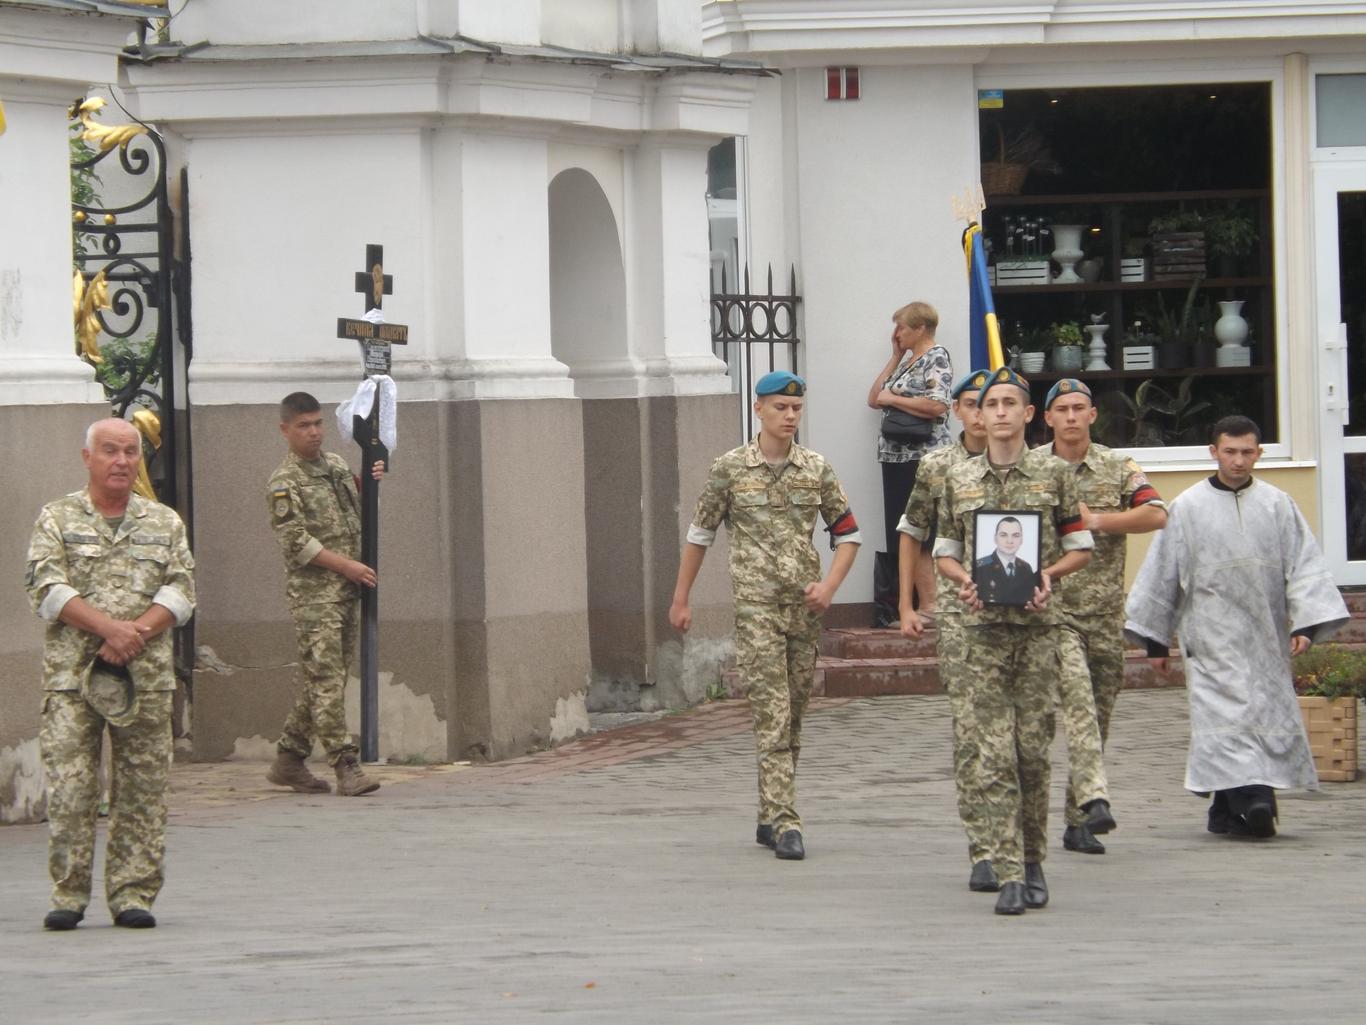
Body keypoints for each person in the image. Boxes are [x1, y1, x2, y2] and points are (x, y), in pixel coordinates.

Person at [933, 367, 1109, 915]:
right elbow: (945, 551)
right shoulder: (957, 480)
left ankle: (1033, 860)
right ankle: (1008, 870)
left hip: (1037, 632)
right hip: (980, 634)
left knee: (1032, 754)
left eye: (1012, 402)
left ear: (1029, 415)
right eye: (993, 404)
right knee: (991, 755)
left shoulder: (1055, 475)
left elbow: (1080, 545)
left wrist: (1048, 577)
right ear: (978, 417)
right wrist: (964, 584)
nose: (1003, 412)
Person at [1125, 415, 1348, 838]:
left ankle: (1227, 812)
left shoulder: (1279, 504)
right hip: (1210, 633)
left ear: (1259, 453)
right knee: (1227, 715)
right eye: (1230, 452)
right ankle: (1257, 801)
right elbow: (1162, 573)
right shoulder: (1188, 507)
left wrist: (1304, 622)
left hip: (1265, 631)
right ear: (1213, 452)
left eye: (1248, 452)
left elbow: (1304, 567)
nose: (1239, 461)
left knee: (1261, 711)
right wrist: (1155, 642)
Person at [670, 371, 861, 861]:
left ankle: (768, 811)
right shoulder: (731, 468)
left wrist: (831, 586)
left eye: (796, 409)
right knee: (772, 712)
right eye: (780, 408)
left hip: (804, 608)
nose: (790, 416)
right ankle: (787, 819)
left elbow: (848, 534)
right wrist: (681, 598)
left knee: (794, 712)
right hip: (756, 607)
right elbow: (700, 534)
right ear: (759, 410)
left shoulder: (816, 469)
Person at [27, 418, 196, 931]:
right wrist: (108, 630)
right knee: (73, 788)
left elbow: (181, 591)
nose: (121, 461)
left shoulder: (164, 523)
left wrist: (134, 634)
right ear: (87, 458)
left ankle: (132, 894)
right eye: (110, 451)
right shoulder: (56, 518)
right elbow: (46, 589)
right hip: (72, 681)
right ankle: (69, 893)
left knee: (142, 789)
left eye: (130, 452)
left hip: (144, 681)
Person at [1043, 378, 1167, 856]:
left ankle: (1079, 821)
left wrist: (1095, 520)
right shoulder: (1032, 468)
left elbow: (1156, 514)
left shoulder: (1118, 467)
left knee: (1098, 712)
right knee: (1078, 702)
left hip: (1105, 614)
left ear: (1093, 415)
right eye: (1062, 409)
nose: (1071, 417)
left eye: (1080, 408)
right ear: (1048, 417)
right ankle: (1096, 798)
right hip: (1053, 611)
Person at [896, 368, 1001, 892]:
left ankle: (1017, 839)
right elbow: (912, 531)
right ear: (958, 411)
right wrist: (908, 604)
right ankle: (982, 848)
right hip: (961, 614)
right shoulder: (937, 466)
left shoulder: (1027, 465)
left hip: (1017, 616)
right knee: (970, 727)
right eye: (972, 403)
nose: (983, 413)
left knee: (1017, 731)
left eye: (992, 403)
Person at [265, 392, 386, 798]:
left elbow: (357, 512)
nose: (314, 432)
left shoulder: (334, 466)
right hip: (315, 596)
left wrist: (373, 477)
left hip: (347, 592)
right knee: (327, 680)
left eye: (317, 423)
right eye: (304, 426)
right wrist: (346, 566)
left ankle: (289, 758)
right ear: (286, 430)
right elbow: (296, 543)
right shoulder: (284, 482)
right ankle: (345, 764)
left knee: (323, 680)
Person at [867, 301, 952, 625]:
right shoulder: (907, 361)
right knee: (904, 530)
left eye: (902, 327)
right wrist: (895, 355)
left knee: (920, 531)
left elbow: (939, 405)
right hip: (895, 457)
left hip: (923, 458)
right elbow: (874, 398)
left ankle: (930, 605)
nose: (897, 333)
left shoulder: (936, 356)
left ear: (920, 329)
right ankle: (919, 605)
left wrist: (895, 399)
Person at [974, 516, 1037, 606]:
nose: (1010, 541)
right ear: (995, 538)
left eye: (1016, 535)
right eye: (1003, 535)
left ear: (1021, 539)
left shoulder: (1026, 567)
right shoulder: (981, 565)